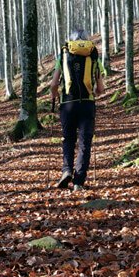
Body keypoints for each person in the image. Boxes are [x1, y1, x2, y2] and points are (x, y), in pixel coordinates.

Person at [50, 29, 105, 192]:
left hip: (68, 104)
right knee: (84, 143)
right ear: (86, 40)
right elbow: (101, 87)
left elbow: (53, 84)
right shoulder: (93, 54)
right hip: (87, 105)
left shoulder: (64, 54)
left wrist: (54, 96)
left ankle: (66, 170)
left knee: (68, 139)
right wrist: (94, 93)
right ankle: (78, 182)